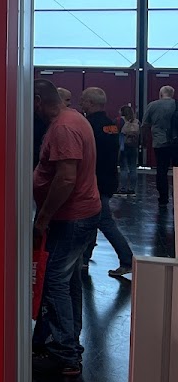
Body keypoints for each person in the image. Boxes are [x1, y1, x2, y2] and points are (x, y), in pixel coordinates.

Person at [32, 79, 101, 379]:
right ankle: (69, 343)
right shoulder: (74, 119)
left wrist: (43, 218)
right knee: (69, 281)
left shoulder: (63, 127)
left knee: (55, 282)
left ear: (38, 100)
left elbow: (66, 179)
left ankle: (65, 353)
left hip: (71, 218)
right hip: (80, 215)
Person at [79, 88, 134, 278]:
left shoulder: (88, 125)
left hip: (94, 181)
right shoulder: (111, 125)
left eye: (83, 100)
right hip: (109, 179)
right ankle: (84, 259)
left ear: (91, 103)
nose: (80, 103)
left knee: (104, 222)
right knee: (92, 219)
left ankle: (127, 260)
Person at [143, 85, 177, 205]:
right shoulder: (176, 104)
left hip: (160, 142)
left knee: (162, 170)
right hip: (176, 143)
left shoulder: (153, 105)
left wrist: (144, 142)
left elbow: (145, 124)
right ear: (172, 94)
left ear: (161, 94)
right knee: (177, 170)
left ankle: (163, 198)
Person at [119, 103, 140, 196]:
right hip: (133, 146)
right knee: (133, 168)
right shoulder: (137, 122)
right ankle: (132, 189)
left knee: (123, 168)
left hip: (123, 146)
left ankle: (123, 189)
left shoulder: (120, 121)